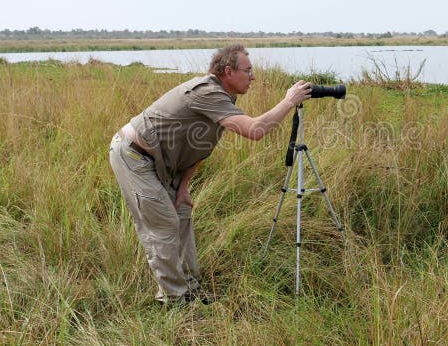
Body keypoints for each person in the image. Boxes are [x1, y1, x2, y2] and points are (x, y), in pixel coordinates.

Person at [108, 44, 312, 304]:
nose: (253, 77)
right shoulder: (207, 92)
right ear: (228, 71)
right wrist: (289, 101)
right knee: (164, 224)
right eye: (248, 71)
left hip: (161, 162)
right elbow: (255, 131)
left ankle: (191, 289)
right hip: (134, 155)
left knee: (181, 213)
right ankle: (173, 300)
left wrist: (183, 186)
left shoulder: (225, 98)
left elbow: (202, 146)